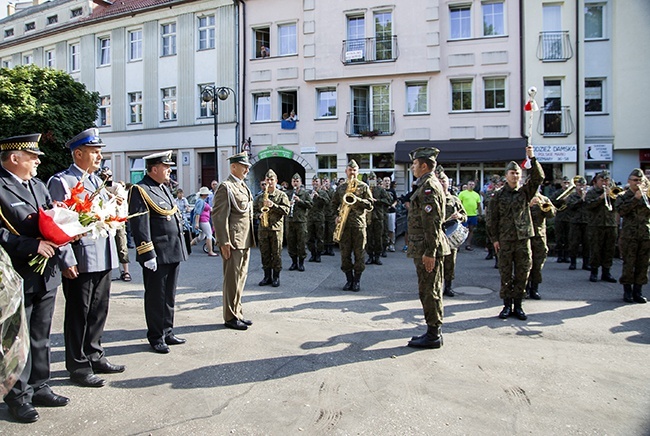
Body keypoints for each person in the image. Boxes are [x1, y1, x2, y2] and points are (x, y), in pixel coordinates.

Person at [0, 134, 71, 423]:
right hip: (16, 273)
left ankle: (40, 385)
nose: (39, 160)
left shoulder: (38, 186)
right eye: (33, 156)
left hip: (46, 271)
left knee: (41, 333)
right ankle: (17, 395)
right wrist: (31, 246)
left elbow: (51, 218)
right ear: (14, 158)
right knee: (17, 338)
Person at [48, 128, 124, 388]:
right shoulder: (62, 181)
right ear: (78, 153)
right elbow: (57, 224)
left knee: (99, 309)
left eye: (99, 151)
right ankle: (78, 366)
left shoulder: (95, 180)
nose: (99, 155)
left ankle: (94, 353)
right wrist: (66, 258)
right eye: (94, 151)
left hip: (102, 254)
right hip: (80, 257)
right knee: (78, 312)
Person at [128, 151, 188, 353]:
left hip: (172, 249)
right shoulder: (141, 189)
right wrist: (147, 253)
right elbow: (139, 224)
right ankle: (156, 336)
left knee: (169, 295)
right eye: (166, 167)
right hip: (157, 253)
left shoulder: (163, 188)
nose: (169, 170)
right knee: (156, 296)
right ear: (154, 169)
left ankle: (167, 331)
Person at [487, 146, 544, 321]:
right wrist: (494, 239)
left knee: (522, 272)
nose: (515, 176)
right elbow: (491, 219)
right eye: (512, 173)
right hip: (504, 240)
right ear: (506, 175)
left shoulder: (525, 192)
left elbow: (539, 177)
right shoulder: (497, 195)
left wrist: (532, 158)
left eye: (518, 173)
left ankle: (518, 305)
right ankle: (506, 305)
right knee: (505, 273)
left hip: (522, 239)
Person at [405, 147, 450, 349]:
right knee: (427, 289)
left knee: (429, 290)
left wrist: (430, 252)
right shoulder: (424, 184)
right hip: (424, 247)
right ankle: (432, 331)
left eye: (414, 164)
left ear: (424, 165)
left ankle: (433, 335)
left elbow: (432, 222)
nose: (412, 167)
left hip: (427, 248)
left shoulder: (429, 187)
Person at [212, 152, 255, 330]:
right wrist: (224, 242)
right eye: (243, 166)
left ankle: (237, 312)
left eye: (247, 167)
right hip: (233, 241)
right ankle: (230, 316)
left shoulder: (242, 186)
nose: (246, 169)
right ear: (233, 167)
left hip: (244, 238)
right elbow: (219, 216)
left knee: (241, 279)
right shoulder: (226, 187)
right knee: (232, 279)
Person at [331, 160, 374, 291]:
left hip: (358, 225)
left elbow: (370, 204)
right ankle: (349, 280)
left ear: (358, 172)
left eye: (354, 170)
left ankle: (357, 281)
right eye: (350, 170)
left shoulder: (364, 186)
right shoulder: (341, 188)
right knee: (345, 255)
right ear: (346, 171)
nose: (352, 173)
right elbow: (333, 205)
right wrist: (336, 217)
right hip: (344, 226)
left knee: (359, 254)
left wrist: (357, 200)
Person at [615, 169, 649, 303]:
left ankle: (638, 291)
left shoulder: (648, 195)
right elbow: (622, 211)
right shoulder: (622, 196)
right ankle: (627, 291)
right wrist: (635, 199)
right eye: (635, 180)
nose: (638, 183)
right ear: (629, 181)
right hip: (629, 235)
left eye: (640, 181)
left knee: (643, 264)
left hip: (645, 234)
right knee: (629, 263)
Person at [254, 169, 290, 287]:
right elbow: (252, 211)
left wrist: (273, 205)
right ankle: (266, 276)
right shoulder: (260, 197)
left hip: (276, 229)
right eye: (267, 180)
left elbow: (286, 210)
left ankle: (276, 277)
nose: (269, 182)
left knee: (276, 254)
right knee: (264, 253)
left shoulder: (281, 195)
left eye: (271, 180)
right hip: (263, 229)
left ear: (276, 181)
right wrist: (257, 215)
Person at [584, 171, 618, 283]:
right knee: (595, 249)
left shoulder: (613, 192)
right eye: (602, 181)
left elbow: (619, 205)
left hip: (610, 224)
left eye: (606, 180)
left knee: (609, 249)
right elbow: (588, 205)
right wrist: (601, 198)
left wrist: (612, 196)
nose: (604, 183)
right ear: (596, 181)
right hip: (596, 225)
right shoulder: (591, 192)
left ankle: (606, 272)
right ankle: (594, 272)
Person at [438, 170, 467, 297]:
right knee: (436, 262)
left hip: (450, 237)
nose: (441, 183)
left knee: (450, 263)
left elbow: (465, 216)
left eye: (443, 181)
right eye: (439, 181)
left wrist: (459, 216)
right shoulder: (433, 199)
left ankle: (448, 287)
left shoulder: (454, 199)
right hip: (437, 234)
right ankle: (436, 287)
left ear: (447, 183)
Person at [527, 191, 556, 300]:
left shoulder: (544, 199)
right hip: (525, 236)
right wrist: (528, 205)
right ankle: (524, 288)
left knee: (538, 263)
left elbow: (551, 214)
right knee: (524, 263)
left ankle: (534, 288)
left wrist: (542, 204)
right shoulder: (522, 198)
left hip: (539, 237)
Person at [286, 173, 313, 271]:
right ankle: (294, 262)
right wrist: (288, 203)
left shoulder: (305, 193)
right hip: (290, 221)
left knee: (301, 242)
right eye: (294, 181)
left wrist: (300, 201)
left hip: (301, 221)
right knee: (291, 242)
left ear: (300, 182)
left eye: (297, 181)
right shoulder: (288, 193)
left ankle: (301, 263)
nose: (295, 183)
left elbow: (310, 205)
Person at [365, 172, 391, 265]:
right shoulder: (365, 189)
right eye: (370, 178)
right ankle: (370, 256)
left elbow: (388, 201)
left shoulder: (380, 189)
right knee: (369, 238)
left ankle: (377, 256)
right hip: (368, 217)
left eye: (373, 178)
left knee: (378, 238)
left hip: (378, 217)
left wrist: (377, 201)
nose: (372, 180)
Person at [566, 176, 590, 271]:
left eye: (583, 185)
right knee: (574, 243)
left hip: (587, 222)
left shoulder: (589, 195)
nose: (581, 187)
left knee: (587, 244)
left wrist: (585, 198)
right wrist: (581, 200)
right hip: (575, 222)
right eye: (579, 185)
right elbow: (571, 206)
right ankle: (573, 263)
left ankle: (586, 263)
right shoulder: (572, 196)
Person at [306, 175, 330, 263]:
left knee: (320, 237)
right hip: (310, 217)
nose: (315, 183)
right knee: (310, 238)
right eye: (314, 181)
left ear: (320, 183)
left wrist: (318, 196)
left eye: (317, 182)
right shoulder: (308, 192)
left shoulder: (323, 192)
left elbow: (327, 202)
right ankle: (313, 254)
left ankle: (319, 254)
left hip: (319, 217)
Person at [190, 186, 218, 256]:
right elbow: (198, 213)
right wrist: (196, 223)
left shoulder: (202, 201)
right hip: (203, 220)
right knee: (209, 235)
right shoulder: (200, 201)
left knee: (201, 237)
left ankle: (188, 247)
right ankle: (210, 251)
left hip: (204, 219)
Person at [551, 176, 572, 263]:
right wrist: (561, 201)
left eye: (567, 183)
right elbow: (552, 202)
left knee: (568, 238)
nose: (566, 185)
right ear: (561, 183)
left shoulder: (571, 194)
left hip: (569, 218)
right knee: (559, 237)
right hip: (560, 218)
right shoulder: (557, 193)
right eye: (564, 183)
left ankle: (566, 255)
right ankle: (559, 255)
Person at [458, 180, 481, 250]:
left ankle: (468, 244)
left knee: (471, 230)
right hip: (464, 215)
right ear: (467, 185)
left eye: (472, 184)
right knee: (462, 230)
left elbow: (478, 205)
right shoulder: (462, 193)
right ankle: (458, 245)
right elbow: (459, 204)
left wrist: (479, 214)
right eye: (470, 184)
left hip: (473, 214)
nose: (471, 185)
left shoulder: (476, 195)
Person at [322, 177, 337, 256]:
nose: (325, 182)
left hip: (331, 214)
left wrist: (326, 192)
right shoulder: (321, 190)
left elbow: (331, 200)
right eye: (324, 181)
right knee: (324, 232)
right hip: (323, 214)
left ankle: (330, 249)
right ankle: (324, 248)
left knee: (330, 232)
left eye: (326, 181)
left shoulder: (332, 191)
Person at [383, 178, 398, 252]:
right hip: (383, 212)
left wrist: (393, 205)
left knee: (391, 229)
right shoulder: (381, 191)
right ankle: (385, 244)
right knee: (384, 229)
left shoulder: (392, 191)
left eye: (388, 181)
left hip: (391, 212)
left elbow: (396, 200)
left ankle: (392, 244)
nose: (387, 182)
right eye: (385, 181)